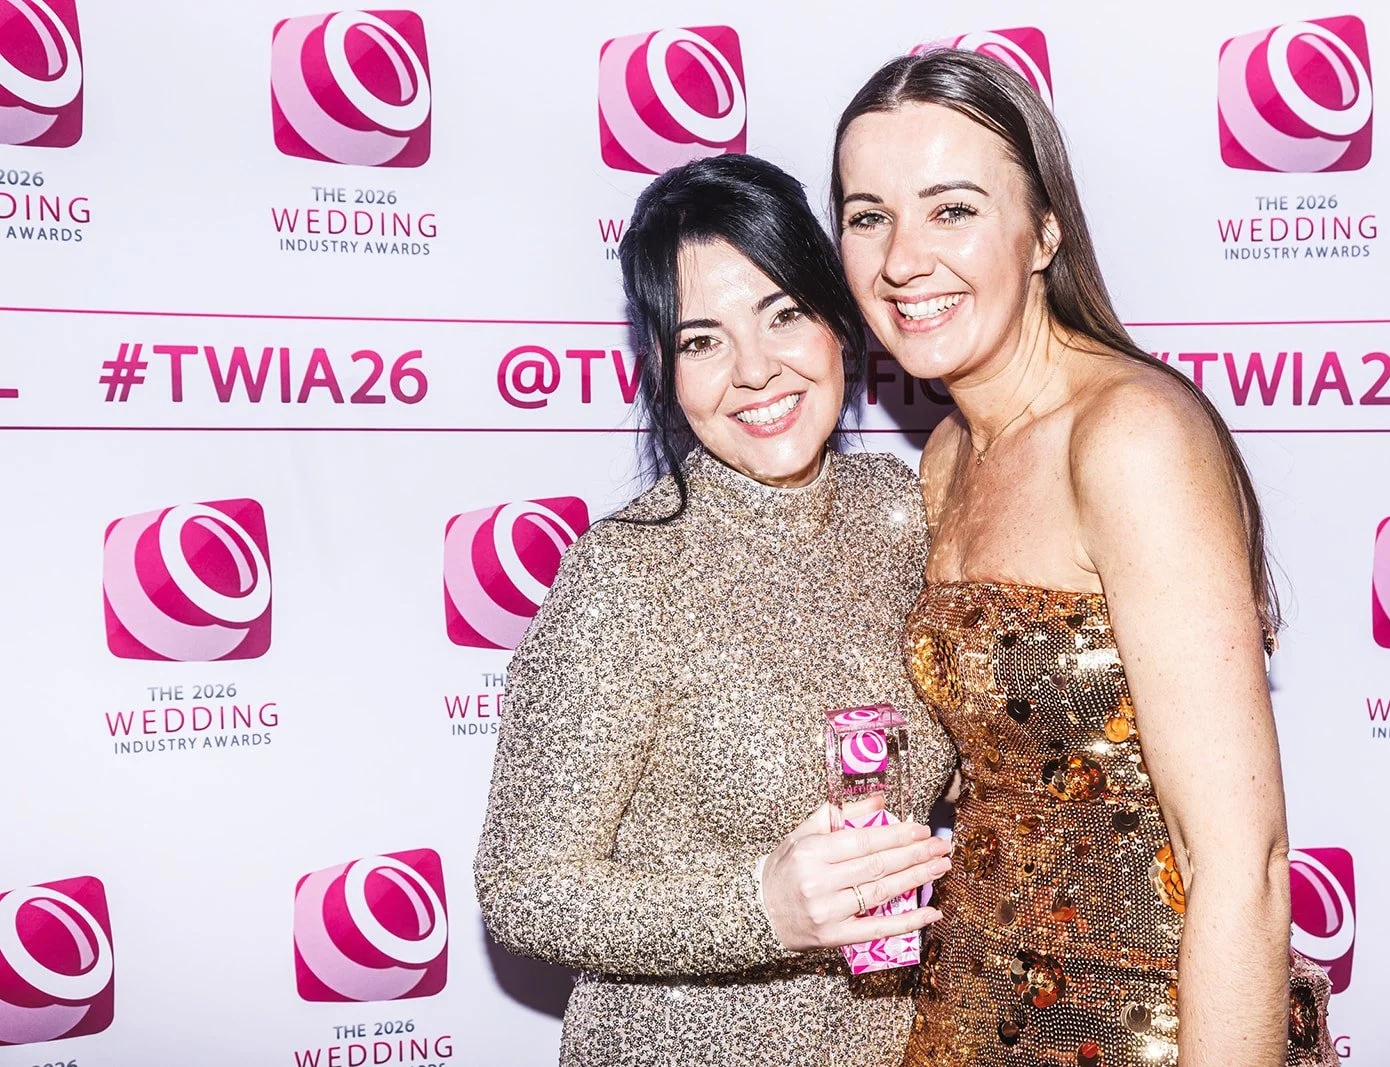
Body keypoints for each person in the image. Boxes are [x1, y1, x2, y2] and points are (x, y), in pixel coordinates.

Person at [830, 51, 1340, 1067]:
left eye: (952, 210)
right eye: (865, 215)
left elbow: (1241, 861)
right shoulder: (946, 455)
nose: (901, 258)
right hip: (966, 1012)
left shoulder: (1130, 434)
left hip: (1143, 1024)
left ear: (1043, 232)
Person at [474, 153, 957, 1067]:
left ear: (835, 320)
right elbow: (522, 888)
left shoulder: (899, 511)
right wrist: (759, 908)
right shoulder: (625, 575)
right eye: (702, 340)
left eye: (782, 315)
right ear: (663, 368)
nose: (754, 370)